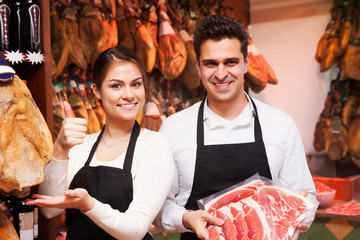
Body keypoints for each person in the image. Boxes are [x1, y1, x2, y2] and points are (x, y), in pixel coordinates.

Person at [154, 15, 317, 239]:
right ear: (198, 67)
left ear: (246, 62)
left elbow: (305, 197)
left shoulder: (280, 124)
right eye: (211, 63)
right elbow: (160, 206)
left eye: (230, 62)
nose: (221, 74)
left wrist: (294, 215)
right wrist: (186, 218)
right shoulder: (174, 128)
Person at [25, 45, 175, 240]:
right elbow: (50, 211)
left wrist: (89, 205)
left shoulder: (154, 145)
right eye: (116, 85)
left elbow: (136, 229)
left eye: (136, 84)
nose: (129, 94)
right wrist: (60, 148)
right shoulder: (81, 145)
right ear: (96, 91)